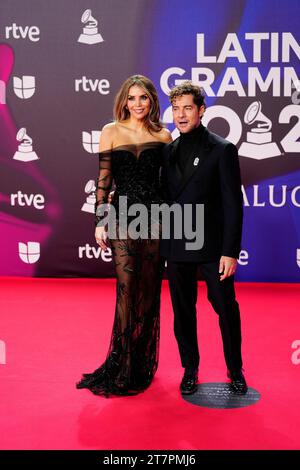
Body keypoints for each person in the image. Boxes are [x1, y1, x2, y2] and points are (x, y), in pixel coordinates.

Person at [76, 75, 172, 397]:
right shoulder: (110, 132)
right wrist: (100, 220)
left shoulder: (163, 135)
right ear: (124, 101)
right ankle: (124, 362)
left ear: (152, 101)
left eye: (143, 98)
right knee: (127, 291)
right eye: (132, 98)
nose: (137, 104)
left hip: (156, 218)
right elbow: (103, 179)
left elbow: (168, 183)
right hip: (122, 219)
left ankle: (142, 360)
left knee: (148, 292)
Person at [160, 81, 247, 395]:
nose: (181, 115)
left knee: (225, 307)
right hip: (177, 245)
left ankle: (235, 368)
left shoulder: (222, 149)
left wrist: (230, 251)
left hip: (213, 248)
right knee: (183, 312)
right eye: (176, 108)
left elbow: (232, 204)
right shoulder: (167, 151)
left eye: (187, 108)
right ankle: (190, 367)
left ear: (201, 111)